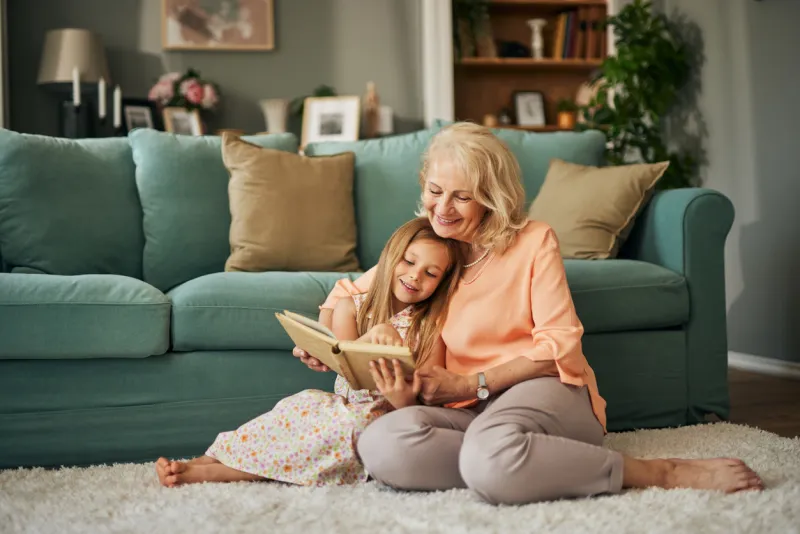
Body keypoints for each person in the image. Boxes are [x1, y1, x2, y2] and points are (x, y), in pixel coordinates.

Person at [294, 122, 765, 505]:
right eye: (436, 190)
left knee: (487, 455)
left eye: (462, 196)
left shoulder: (534, 241)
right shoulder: (430, 246)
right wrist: (337, 351)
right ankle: (515, 462)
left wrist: (468, 383)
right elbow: (343, 293)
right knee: (381, 444)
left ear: (492, 195)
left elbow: (559, 346)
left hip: (543, 390)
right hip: (466, 413)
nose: (443, 207)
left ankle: (654, 471)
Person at [155, 217, 463, 487]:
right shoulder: (351, 308)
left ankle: (214, 474)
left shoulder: (431, 329)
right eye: (409, 262)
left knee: (340, 432)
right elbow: (350, 371)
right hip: (344, 403)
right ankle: (206, 460)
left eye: (430, 273)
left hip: (383, 420)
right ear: (391, 257)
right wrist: (360, 340)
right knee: (299, 408)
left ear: (441, 283)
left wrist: (402, 397)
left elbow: (425, 402)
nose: (415, 276)